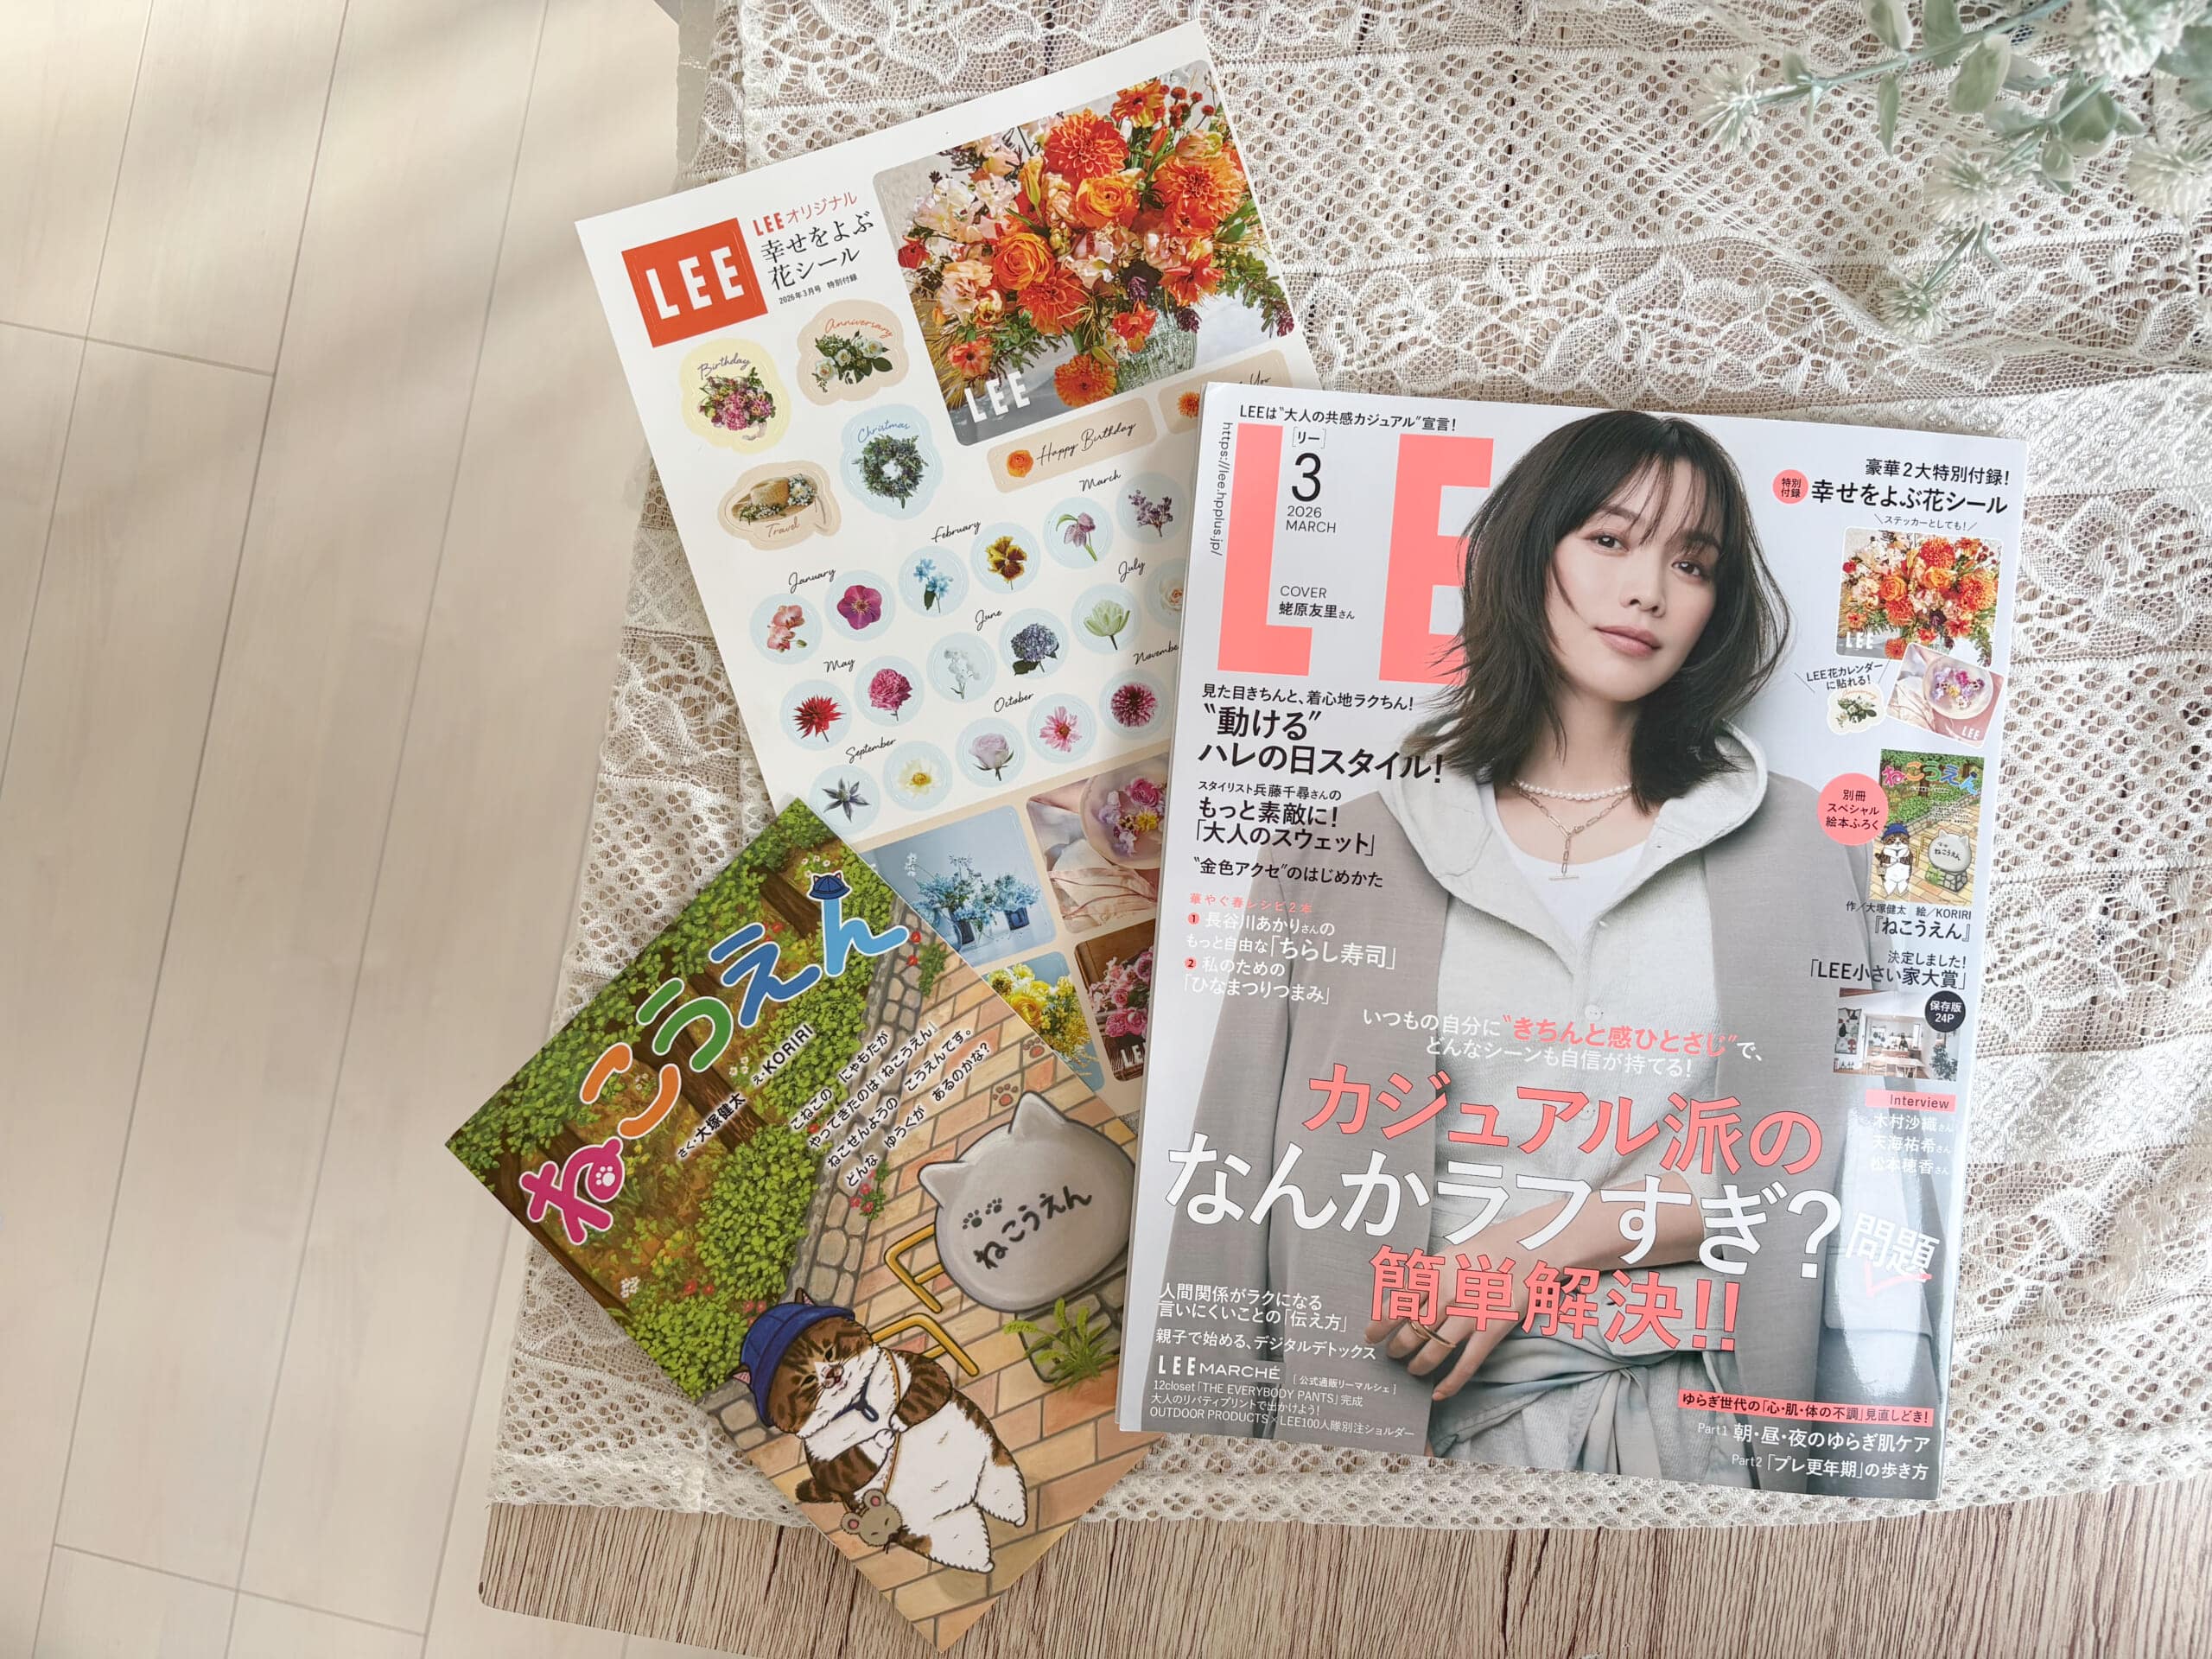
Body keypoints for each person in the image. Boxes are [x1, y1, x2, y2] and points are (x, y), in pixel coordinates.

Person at [1156, 410, 1939, 1492]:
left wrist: (1544, 1242)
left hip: (1707, 1437)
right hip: (1398, 1439)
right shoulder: (1338, 855)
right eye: (1609, 540)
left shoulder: (1818, 847)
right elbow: (1230, 1190)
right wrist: (1211, 1472)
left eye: (1691, 562)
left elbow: (1881, 1168)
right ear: (1526, 557)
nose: (1649, 590)